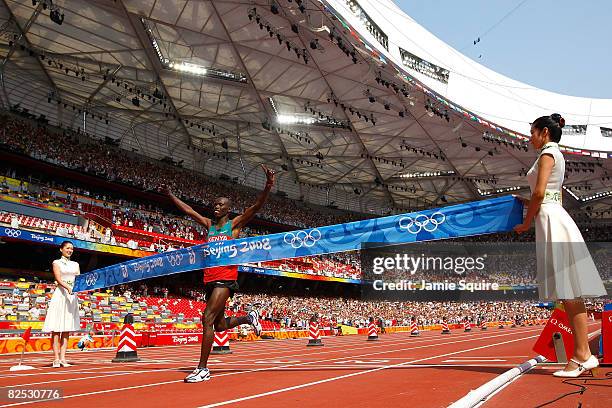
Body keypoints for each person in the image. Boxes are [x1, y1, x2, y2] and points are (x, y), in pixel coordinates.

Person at [514, 113, 606, 378]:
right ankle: (582, 355)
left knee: (569, 291)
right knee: (570, 292)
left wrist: (525, 222)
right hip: (553, 216)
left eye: (532, 132)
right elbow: (547, 193)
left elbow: (541, 193)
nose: (529, 137)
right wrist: (526, 201)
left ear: (544, 132)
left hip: (550, 218)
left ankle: (581, 356)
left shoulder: (546, 155)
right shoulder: (554, 154)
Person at [164, 164, 275, 383]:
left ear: (228, 209)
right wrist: (171, 195)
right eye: (214, 204)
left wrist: (268, 185)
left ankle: (202, 369)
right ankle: (247, 317)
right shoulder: (209, 226)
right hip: (210, 278)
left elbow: (256, 206)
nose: (216, 207)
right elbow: (189, 211)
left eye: (220, 205)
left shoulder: (234, 226)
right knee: (220, 325)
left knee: (206, 318)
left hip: (226, 278)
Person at [42, 241, 81, 368]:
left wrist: (77, 288)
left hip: (71, 297)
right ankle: (56, 359)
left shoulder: (75, 264)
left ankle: (63, 358)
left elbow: (79, 279)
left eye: (72, 249)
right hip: (60, 295)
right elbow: (58, 279)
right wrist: (68, 287)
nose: (70, 250)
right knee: (56, 328)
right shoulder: (56, 262)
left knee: (66, 329)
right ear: (61, 249)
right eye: (68, 248)